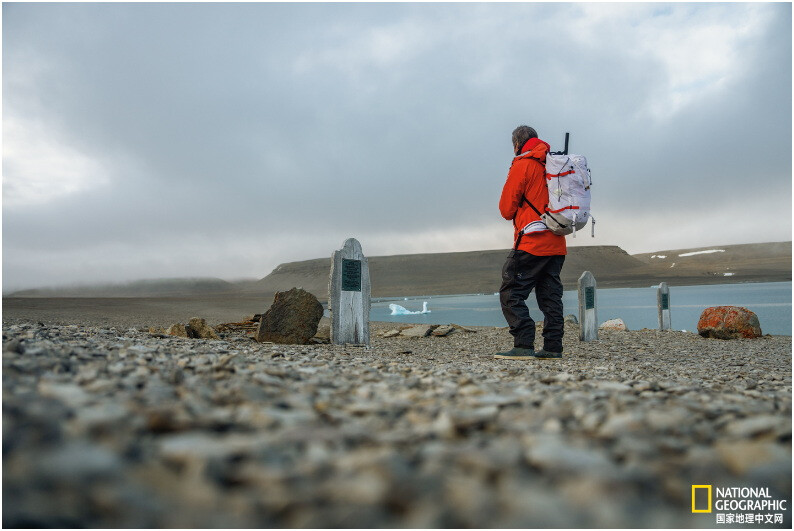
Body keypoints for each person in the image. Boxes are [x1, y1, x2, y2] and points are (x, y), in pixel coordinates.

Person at [495, 125, 567, 360]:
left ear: (517, 144)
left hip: (531, 241)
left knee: (511, 292)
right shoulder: (555, 164)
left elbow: (506, 209)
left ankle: (524, 344)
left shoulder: (523, 164)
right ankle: (553, 347)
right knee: (550, 297)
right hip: (557, 242)